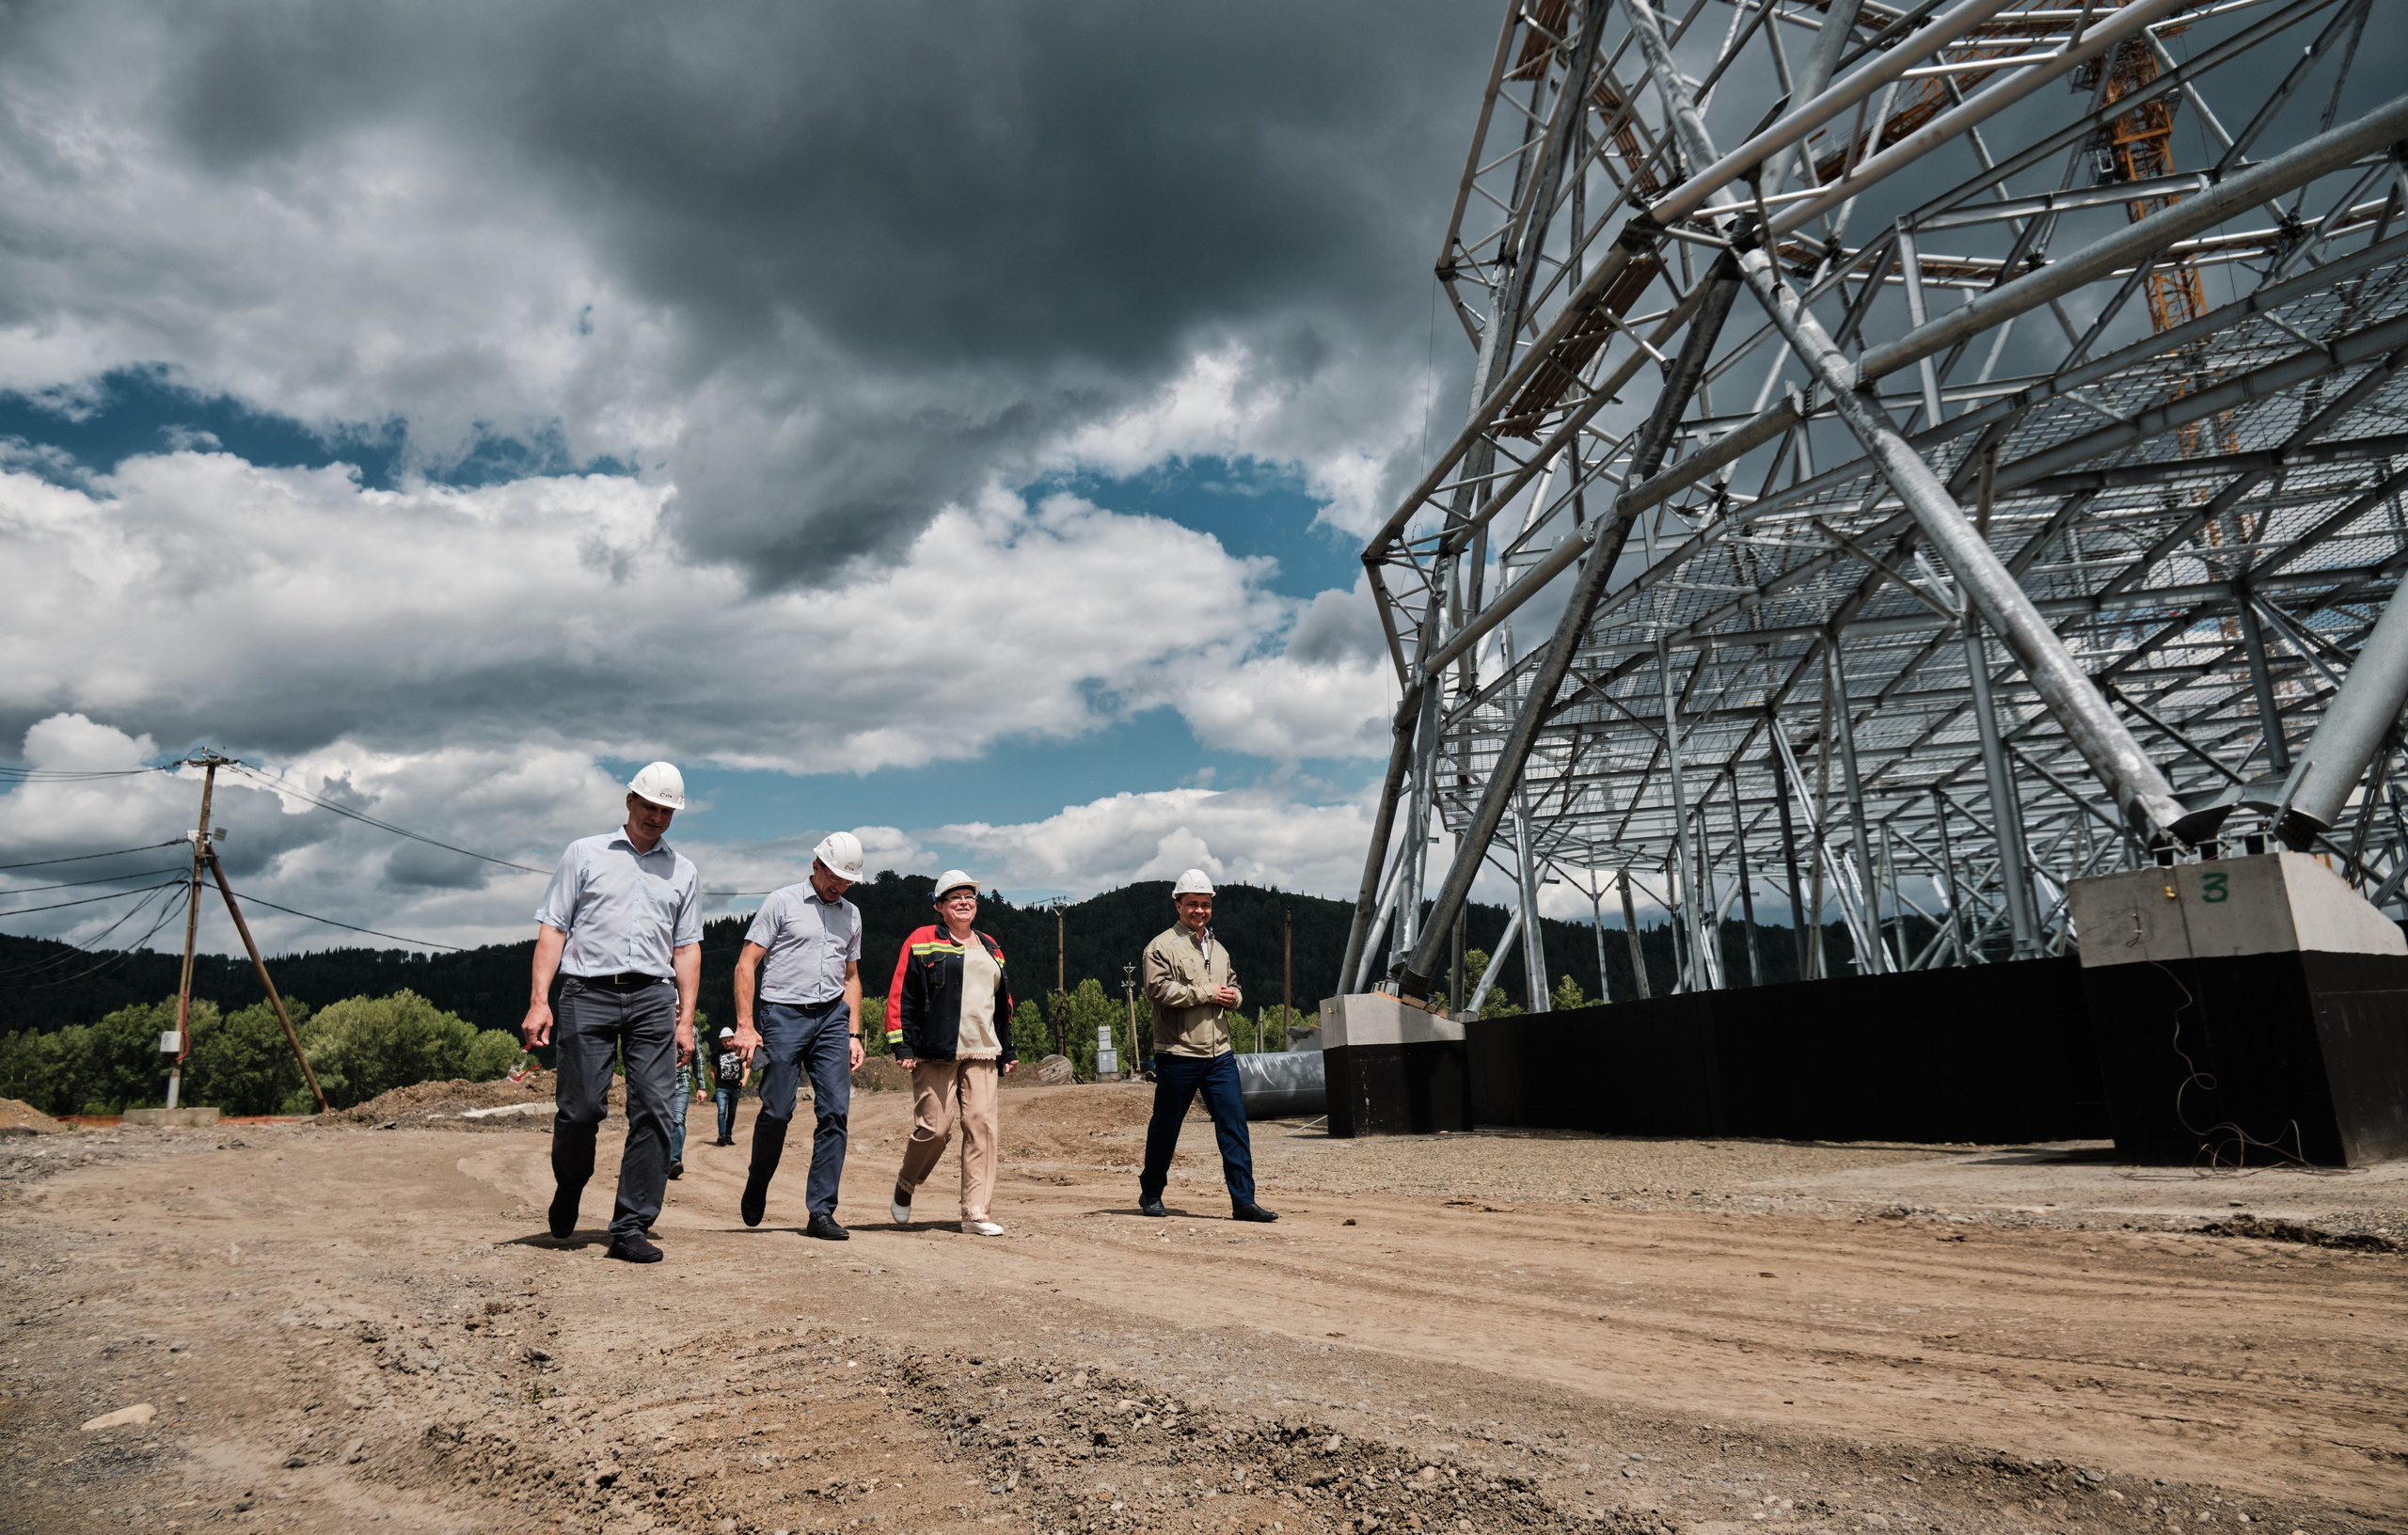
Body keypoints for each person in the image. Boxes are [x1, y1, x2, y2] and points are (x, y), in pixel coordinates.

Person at [522, 762, 701, 1264]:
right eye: (650, 807)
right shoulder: (584, 854)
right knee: (581, 1110)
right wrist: (540, 1001)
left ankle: (630, 1225)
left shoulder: (683, 871)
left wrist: (686, 1019)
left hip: (653, 998)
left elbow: (686, 948)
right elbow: (554, 928)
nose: (657, 818)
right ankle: (570, 1184)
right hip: (587, 993)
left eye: (667, 811)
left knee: (655, 1109)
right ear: (630, 801)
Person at [732, 831, 866, 1240]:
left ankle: (821, 1212)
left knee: (835, 1112)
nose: (839, 885)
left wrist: (853, 1034)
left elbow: (851, 977)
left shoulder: (852, 915)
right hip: (783, 1015)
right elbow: (746, 964)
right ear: (816, 865)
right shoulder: (781, 902)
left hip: (832, 1019)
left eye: (847, 880)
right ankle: (758, 1179)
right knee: (776, 1111)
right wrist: (745, 1026)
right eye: (834, 876)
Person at [1137, 869, 1276, 1224]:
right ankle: (1151, 1193)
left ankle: (1244, 1201)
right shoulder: (1160, 947)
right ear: (1177, 904)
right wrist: (1207, 993)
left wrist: (1235, 998)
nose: (1199, 910)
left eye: (1205, 904)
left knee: (1234, 1126)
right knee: (1166, 1126)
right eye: (1192, 904)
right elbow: (1159, 991)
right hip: (1178, 1053)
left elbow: (1233, 985)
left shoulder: (1219, 948)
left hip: (1220, 1055)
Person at [886, 871, 1018, 1236]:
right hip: (934, 1050)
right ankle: (906, 1182)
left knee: (982, 1127)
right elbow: (901, 995)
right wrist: (902, 1044)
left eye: (969, 896)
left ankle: (976, 1212)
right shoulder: (921, 941)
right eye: (954, 897)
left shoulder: (991, 946)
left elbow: (1003, 1003)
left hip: (982, 1050)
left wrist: (1008, 1049)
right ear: (939, 906)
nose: (963, 902)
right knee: (935, 1129)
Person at [709, 1025, 745, 1146]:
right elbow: (712, 1070)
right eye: (725, 1041)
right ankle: (722, 1136)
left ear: (733, 1039)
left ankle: (728, 1136)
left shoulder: (738, 1051)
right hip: (721, 1088)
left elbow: (745, 1065)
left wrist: (745, 1079)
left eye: (729, 1040)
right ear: (721, 1041)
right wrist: (716, 1084)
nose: (728, 1043)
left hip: (735, 1088)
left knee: (732, 1112)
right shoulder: (717, 1053)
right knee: (722, 1111)